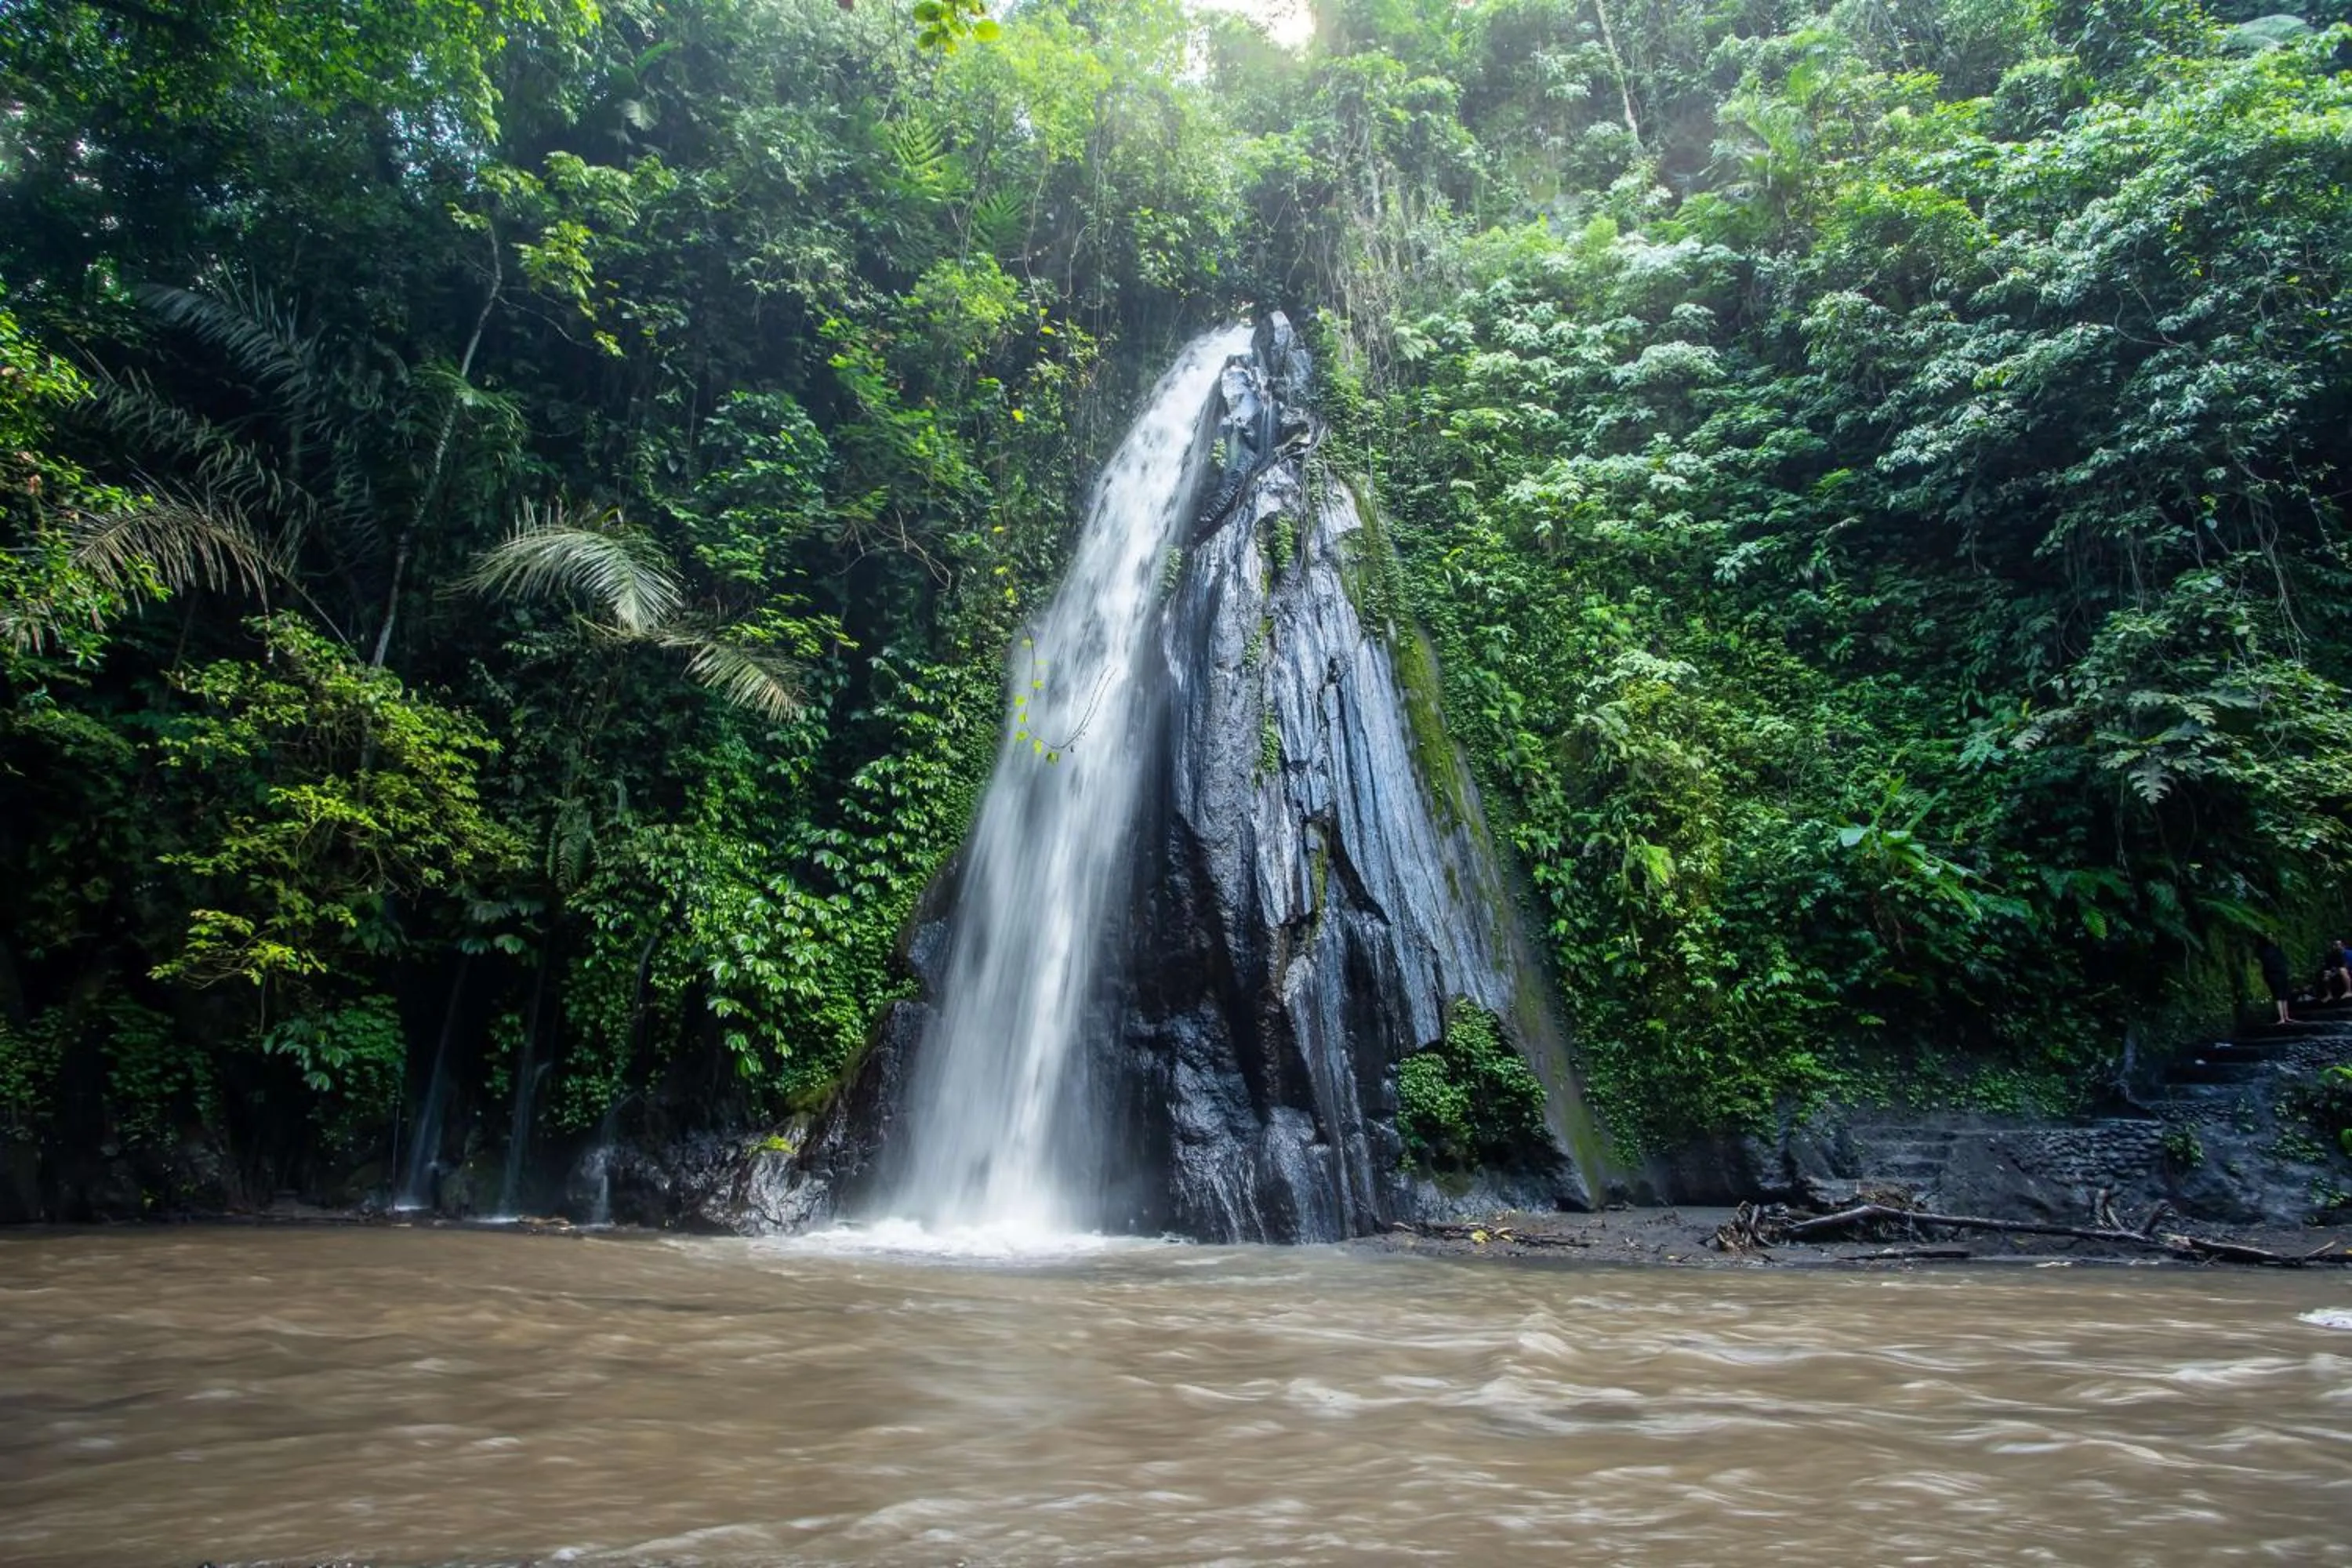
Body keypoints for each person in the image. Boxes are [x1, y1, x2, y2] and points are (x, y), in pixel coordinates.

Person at [2258, 937, 2295, 1024]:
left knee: (2278, 996)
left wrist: (2266, 978)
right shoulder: (2277, 950)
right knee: (2284, 995)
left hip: (2273, 975)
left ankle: (2282, 1017)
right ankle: (2286, 1016)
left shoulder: (2264, 952)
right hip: (2281, 974)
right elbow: (2284, 961)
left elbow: (2265, 966)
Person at [2321, 938, 2352, 1004]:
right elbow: (2329, 967)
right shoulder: (2332, 956)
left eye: (2337, 945)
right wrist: (2329, 972)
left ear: (2343, 946)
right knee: (2326, 974)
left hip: (2348, 971)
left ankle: (2349, 991)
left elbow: (2346, 966)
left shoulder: (2349, 954)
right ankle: (2329, 995)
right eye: (2334, 945)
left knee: (2342, 970)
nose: (2336, 946)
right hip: (2338, 972)